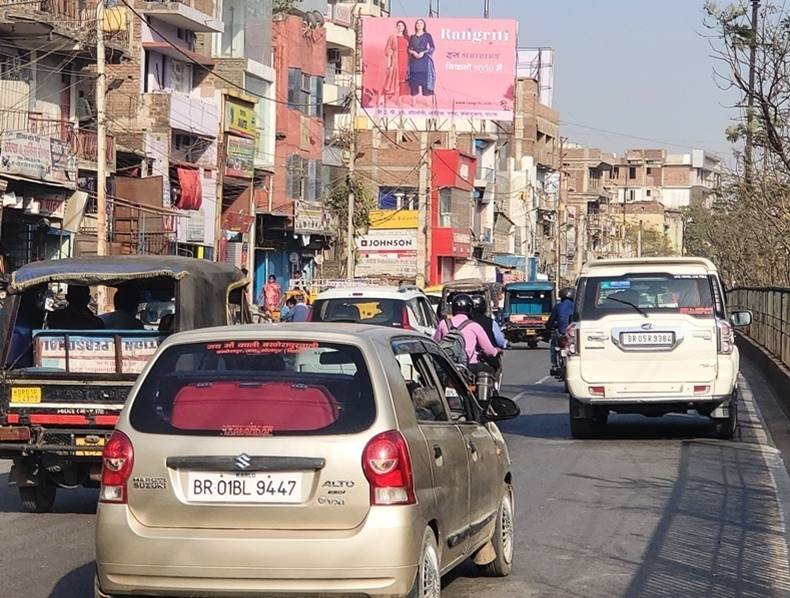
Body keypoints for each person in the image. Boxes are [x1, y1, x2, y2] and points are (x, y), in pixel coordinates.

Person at [434, 293, 500, 376]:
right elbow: (488, 350)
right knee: (491, 372)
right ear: (470, 309)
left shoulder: (443, 323)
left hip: (447, 365)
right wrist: (496, 350)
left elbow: (435, 344)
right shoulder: (474, 326)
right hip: (469, 365)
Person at [547, 287, 575, 374]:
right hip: (572, 334)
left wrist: (548, 327)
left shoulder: (558, 306)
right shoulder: (576, 306)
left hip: (561, 333)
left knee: (553, 346)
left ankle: (554, 365)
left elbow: (551, 320)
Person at [407, 19, 436, 105]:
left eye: (421, 23)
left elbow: (432, 47)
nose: (419, 24)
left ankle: (427, 102)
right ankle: (413, 102)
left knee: (425, 81)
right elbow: (409, 48)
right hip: (414, 62)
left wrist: (423, 52)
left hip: (424, 61)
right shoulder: (412, 37)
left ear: (424, 25)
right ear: (415, 25)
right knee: (414, 82)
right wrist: (413, 52)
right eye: (417, 23)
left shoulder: (427, 36)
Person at [382, 20, 410, 106]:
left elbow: (410, 49)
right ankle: (386, 98)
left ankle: (400, 100)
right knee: (392, 79)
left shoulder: (407, 38)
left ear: (404, 27)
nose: (400, 27)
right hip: (395, 60)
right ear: (396, 27)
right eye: (398, 25)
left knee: (403, 81)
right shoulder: (392, 37)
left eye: (402, 25)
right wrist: (390, 60)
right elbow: (387, 49)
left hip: (405, 60)